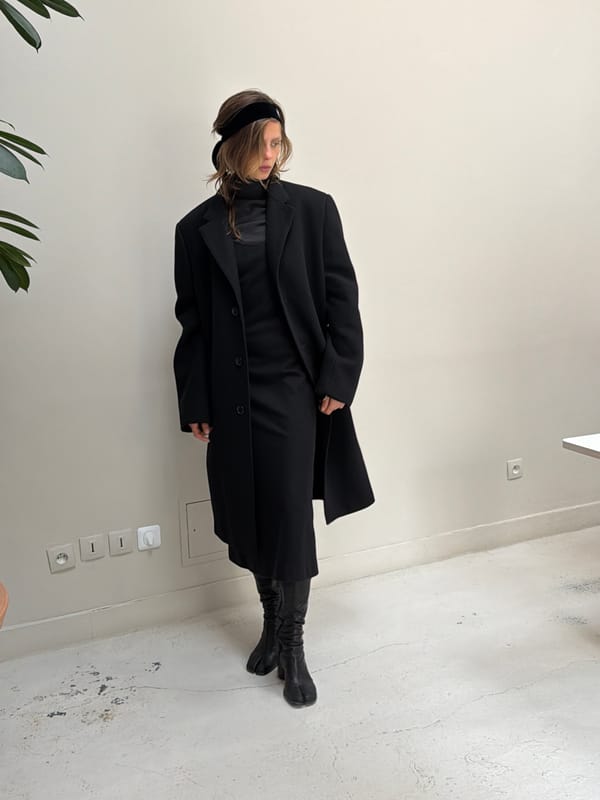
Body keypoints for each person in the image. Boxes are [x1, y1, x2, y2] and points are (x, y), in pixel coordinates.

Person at [173, 89, 374, 708]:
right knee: (248, 514)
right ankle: (268, 622)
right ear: (233, 147)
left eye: (278, 142)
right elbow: (193, 324)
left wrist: (338, 377)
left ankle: (292, 644)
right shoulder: (195, 229)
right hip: (231, 396)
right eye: (261, 143)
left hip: (292, 392)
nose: (272, 153)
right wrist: (196, 400)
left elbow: (342, 300)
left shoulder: (313, 210)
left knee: (288, 517)